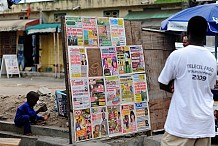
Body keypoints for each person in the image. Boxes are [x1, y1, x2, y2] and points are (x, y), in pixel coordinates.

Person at [158, 16, 217, 146]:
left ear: (187, 33)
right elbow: (209, 86)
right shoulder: (212, 60)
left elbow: (162, 82)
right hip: (204, 126)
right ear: (205, 34)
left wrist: (172, 86)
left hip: (181, 125)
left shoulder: (177, 55)